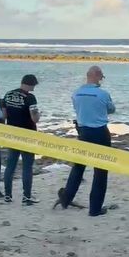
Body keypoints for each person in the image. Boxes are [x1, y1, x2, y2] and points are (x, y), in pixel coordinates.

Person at [55, 66, 115, 217]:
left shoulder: (76, 93)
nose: (101, 80)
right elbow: (111, 109)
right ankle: (95, 209)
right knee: (100, 171)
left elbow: (77, 109)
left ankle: (67, 197)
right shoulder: (103, 94)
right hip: (100, 132)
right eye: (101, 77)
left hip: (83, 132)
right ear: (97, 76)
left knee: (79, 167)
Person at [2, 74, 41, 206]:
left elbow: (4, 115)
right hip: (27, 134)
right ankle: (26, 196)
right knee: (27, 166)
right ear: (31, 84)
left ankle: (7, 195)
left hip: (12, 133)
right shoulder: (30, 98)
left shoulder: (7, 95)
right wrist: (39, 114)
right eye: (34, 85)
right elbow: (34, 118)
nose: (34, 87)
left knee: (10, 165)